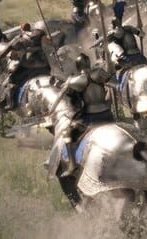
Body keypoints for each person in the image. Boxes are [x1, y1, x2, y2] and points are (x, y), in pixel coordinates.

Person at [46, 54, 115, 204]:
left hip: (91, 118)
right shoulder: (99, 73)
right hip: (108, 115)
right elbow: (113, 81)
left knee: (68, 133)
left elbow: (63, 97)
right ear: (88, 63)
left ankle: (72, 166)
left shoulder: (77, 80)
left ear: (78, 67)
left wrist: (63, 85)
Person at [0, 24, 51, 110]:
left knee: (11, 80)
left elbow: (8, 51)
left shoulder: (23, 38)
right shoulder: (38, 34)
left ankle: (9, 102)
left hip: (36, 62)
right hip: (39, 63)